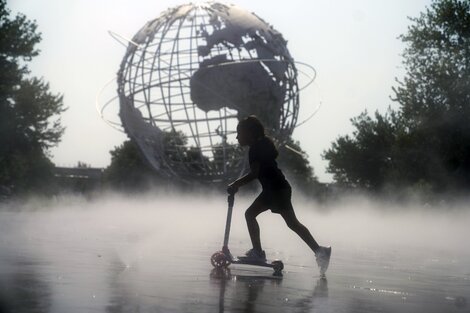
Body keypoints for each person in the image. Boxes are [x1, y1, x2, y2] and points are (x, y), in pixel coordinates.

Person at [227, 116, 331, 275]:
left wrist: (236, 184)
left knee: (250, 214)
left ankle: (258, 252)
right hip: (281, 187)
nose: (237, 137)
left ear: (249, 133)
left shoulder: (255, 148)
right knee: (293, 224)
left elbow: (254, 173)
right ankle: (320, 251)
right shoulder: (264, 144)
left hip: (274, 189)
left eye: (239, 133)